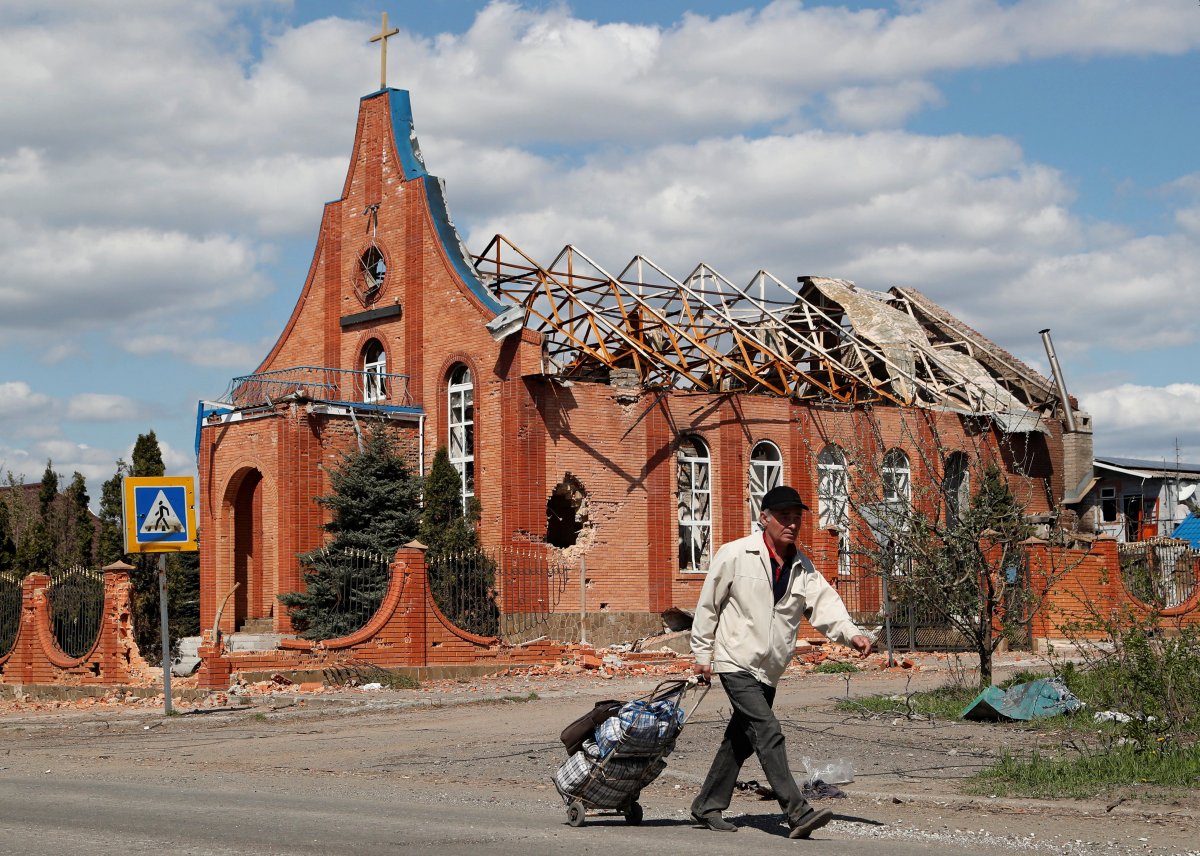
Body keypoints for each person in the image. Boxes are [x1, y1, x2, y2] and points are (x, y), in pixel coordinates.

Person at [689, 484, 873, 839]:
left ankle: (706, 805)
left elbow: (827, 606)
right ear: (764, 518)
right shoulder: (735, 555)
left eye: (796, 518)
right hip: (735, 659)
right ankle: (797, 811)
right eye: (784, 516)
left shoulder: (802, 568)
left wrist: (852, 634)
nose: (791, 523)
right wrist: (702, 655)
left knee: (740, 741)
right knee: (768, 732)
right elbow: (708, 606)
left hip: (769, 670)